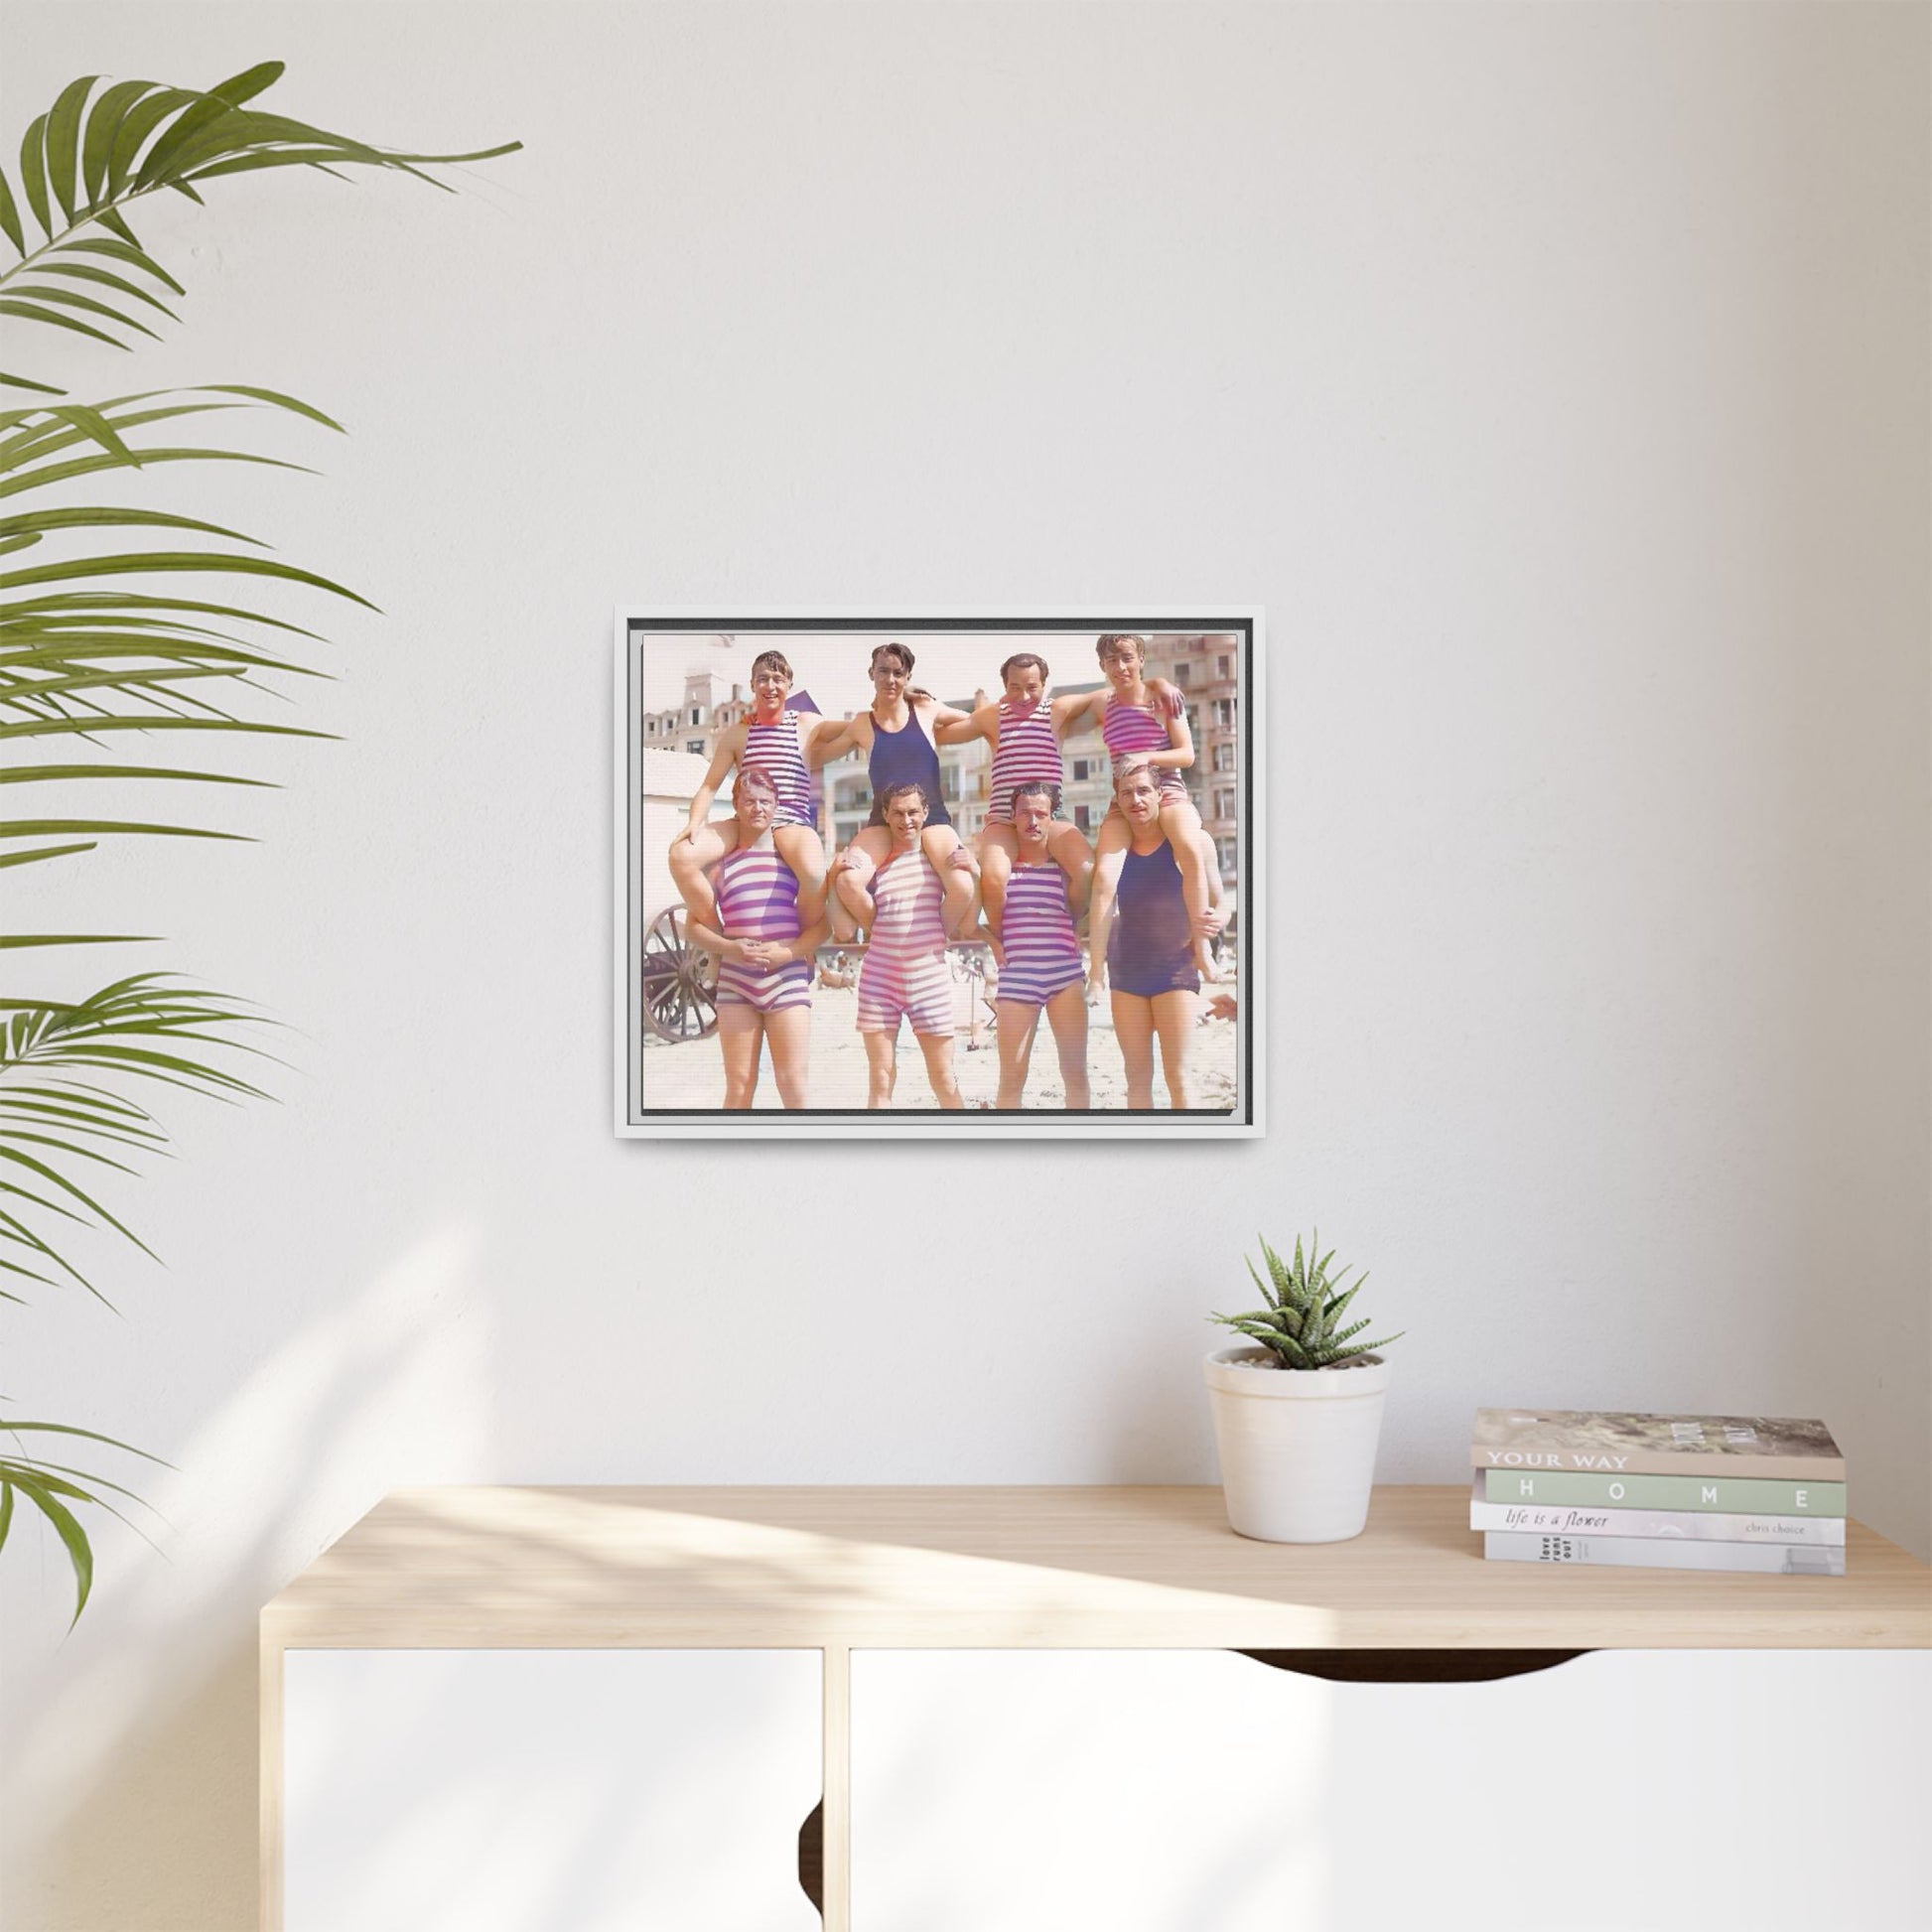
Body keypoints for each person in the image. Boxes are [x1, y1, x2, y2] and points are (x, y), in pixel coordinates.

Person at [1072, 631, 1222, 984]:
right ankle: (1096, 972)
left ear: (1141, 659)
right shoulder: (1101, 704)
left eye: (1127, 658)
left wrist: (1145, 755)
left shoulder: (1162, 698)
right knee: (1105, 877)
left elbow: (1187, 754)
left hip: (1166, 788)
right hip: (1122, 799)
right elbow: (1060, 712)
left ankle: (1202, 949)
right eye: (1111, 660)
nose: (1120, 666)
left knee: (1189, 849)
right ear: (1102, 666)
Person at [668, 648, 844, 934]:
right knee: (680, 856)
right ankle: (717, 933)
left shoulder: (805, 724)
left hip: (790, 821)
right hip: (745, 821)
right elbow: (709, 786)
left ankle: (801, 940)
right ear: (752, 685)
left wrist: (901, 701)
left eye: (777, 679)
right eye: (763, 679)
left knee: (813, 873)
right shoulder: (738, 733)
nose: (770, 686)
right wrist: (694, 821)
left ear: (789, 685)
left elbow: (856, 727)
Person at [1086, 759, 1226, 1110]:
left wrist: (1213, 924)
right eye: (1127, 793)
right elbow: (1101, 901)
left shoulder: (1195, 843)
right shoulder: (1114, 853)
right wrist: (1097, 972)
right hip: (1127, 972)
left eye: (1144, 791)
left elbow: (1222, 903)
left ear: (1160, 794)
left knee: (1179, 1076)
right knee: (1136, 1080)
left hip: (1175, 970)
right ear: (1117, 800)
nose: (1136, 800)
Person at [683, 766, 825, 1109]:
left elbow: (823, 927)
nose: (757, 808)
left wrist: (788, 954)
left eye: (765, 801)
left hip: (786, 980)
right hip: (736, 983)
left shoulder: (793, 861)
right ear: (735, 805)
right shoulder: (718, 865)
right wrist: (730, 947)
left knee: (792, 1085)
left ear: (776, 806)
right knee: (739, 1085)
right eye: (749, 801)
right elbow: (693, 927)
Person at [825, 642, 979, 938]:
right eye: (883, 671)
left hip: (932, 818)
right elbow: (821, 755)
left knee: (961, 885)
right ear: (871, 673)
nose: (890, 679)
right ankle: (887, 937)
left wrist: (918, 705)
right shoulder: (861, 723)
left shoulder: (925, 710)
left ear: (908, 677)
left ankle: (933, 938)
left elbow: (971, 720)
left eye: (898, 673)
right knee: (847, 882)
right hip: (883, 821)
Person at [839, 779, 963, 1109]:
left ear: (925, 813)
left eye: (912, 812)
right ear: (885, 814)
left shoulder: (938, 862)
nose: (905, 821)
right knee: (880, 1078)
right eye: (897, 813)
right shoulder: (875, 865)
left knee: (944, 1078)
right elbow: (845, 922)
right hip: (880, 981)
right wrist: (833, 875)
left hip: (929, 980)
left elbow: (962, 905)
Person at [986, 779, 1092, 1109]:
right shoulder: (998, 871)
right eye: (1025, 814)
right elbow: (967, 926)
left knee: (1075, 1074)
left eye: (1040, 814)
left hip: (1066, 977)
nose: (1033, 821)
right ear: (1013, 818)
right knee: (1012, 1079)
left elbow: (1090, 913)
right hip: (1017, 980)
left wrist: (1081, 932)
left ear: (1051, 819)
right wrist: (993, 943)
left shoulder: (1065, 871)